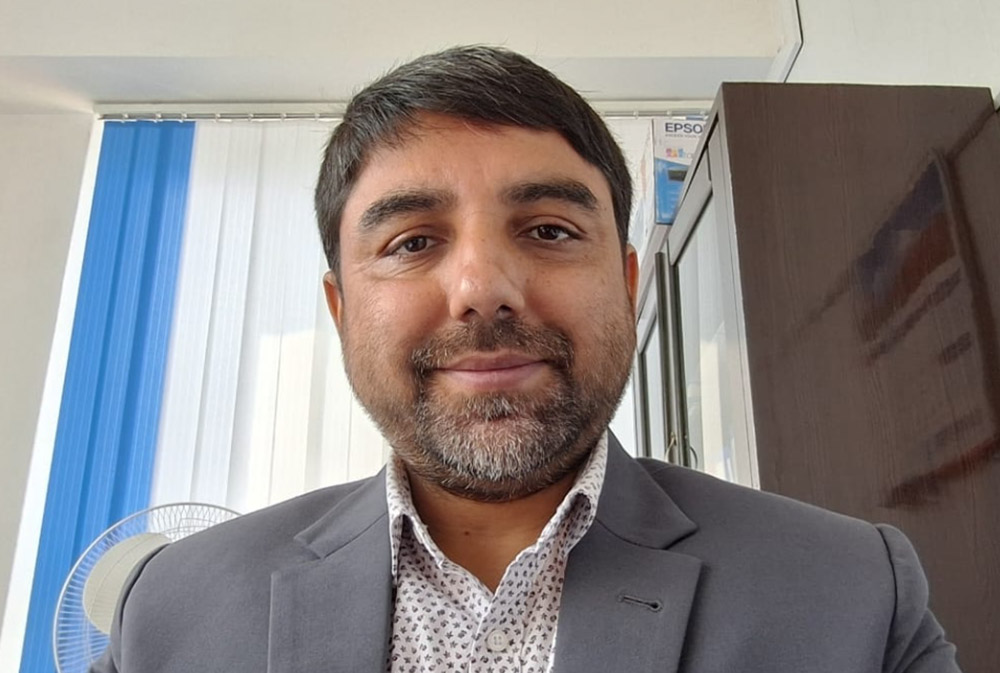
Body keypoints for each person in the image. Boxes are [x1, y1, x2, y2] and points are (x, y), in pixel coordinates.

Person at [92, 46, 961, 673]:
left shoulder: (852, 594)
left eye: (548, 230)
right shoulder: (168, 615)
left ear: (627, 285)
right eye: (413, 240)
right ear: (341, 307)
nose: (483, 288)